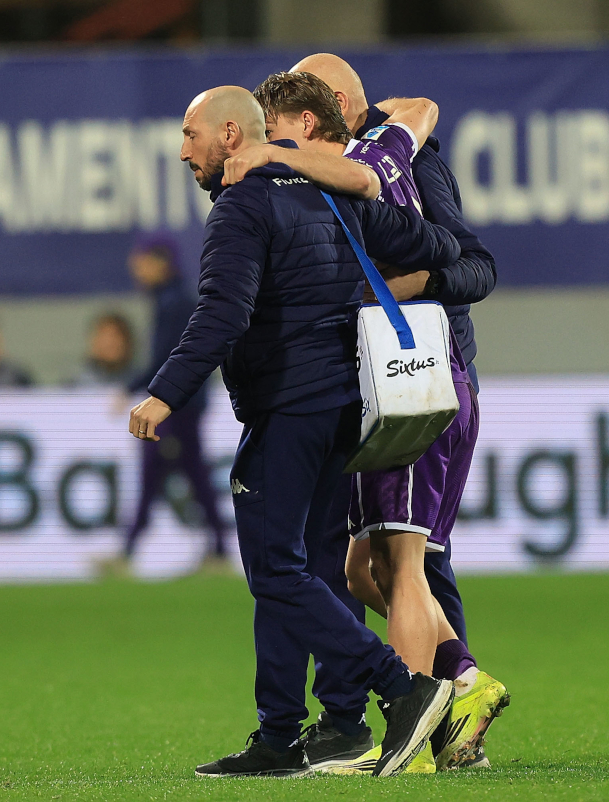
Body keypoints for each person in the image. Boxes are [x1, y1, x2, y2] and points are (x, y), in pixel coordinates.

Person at [127, 85, 463, 778]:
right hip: (345, 408)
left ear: (229, 136)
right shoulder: (329, 191)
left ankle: (403, 690)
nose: (181, 149)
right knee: (307, 568)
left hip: (290, 408)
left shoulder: (242, 207)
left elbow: (223, 314)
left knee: (275, 571)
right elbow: (433, 241)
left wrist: (163, 394)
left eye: (189, 134)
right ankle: (292, 733)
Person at [231, 56, 504, 772]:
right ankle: (463, 686)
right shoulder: (375, 152)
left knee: (404, 562)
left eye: (278, 129)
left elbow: (461, 256)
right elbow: (417, 110)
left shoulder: (362, 164)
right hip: (386, 381)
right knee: (363, 566)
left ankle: (412, 737)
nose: (267, 141)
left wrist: (400, 280)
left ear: (323, 119)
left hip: (415, 376)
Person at [102, 236, 230, 577]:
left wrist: (131, 388)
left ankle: (130, 552)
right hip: (183, 403)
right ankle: (217, 549)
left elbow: (168, 359)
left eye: (141, 264)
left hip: (177, 405)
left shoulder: (175, 303)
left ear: (161, 263)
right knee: (188, 477)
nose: (137, 271)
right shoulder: (172, 299)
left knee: (161, 476)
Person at [73, 311, 136, 387]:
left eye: (116, 336)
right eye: (106, 337)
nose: (111, 342)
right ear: (94, 342)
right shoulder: (74, 389)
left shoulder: (144, 387)